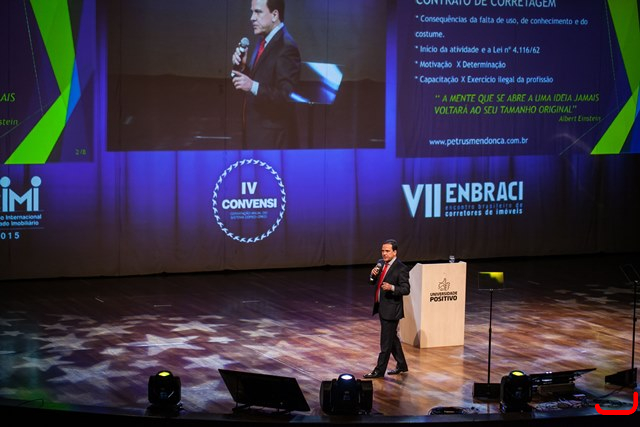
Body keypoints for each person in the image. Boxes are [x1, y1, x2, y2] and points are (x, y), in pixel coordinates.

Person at [231, 0, 301, 149]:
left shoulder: (287, 47)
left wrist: (252, 86)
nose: (252, 18)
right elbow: (262, 80)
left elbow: (286, 96)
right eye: (252, 12)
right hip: (256, 135)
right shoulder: (263, 40)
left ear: (275, 15)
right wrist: (243, 67)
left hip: (272, 142)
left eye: (258, 12)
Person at [364, 239, 411, 379]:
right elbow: (372, 282)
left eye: (387, 251)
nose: (384, 254)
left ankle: (379, 371)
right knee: (392, 338)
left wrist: (392, 287)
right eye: (382, 251)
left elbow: (406, 289)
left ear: (395, 252)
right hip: (382, 307)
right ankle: (402, 365)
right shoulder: (380, 263)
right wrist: (372, 275)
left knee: (385, 342)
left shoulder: (401, 268)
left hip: (392, 310)